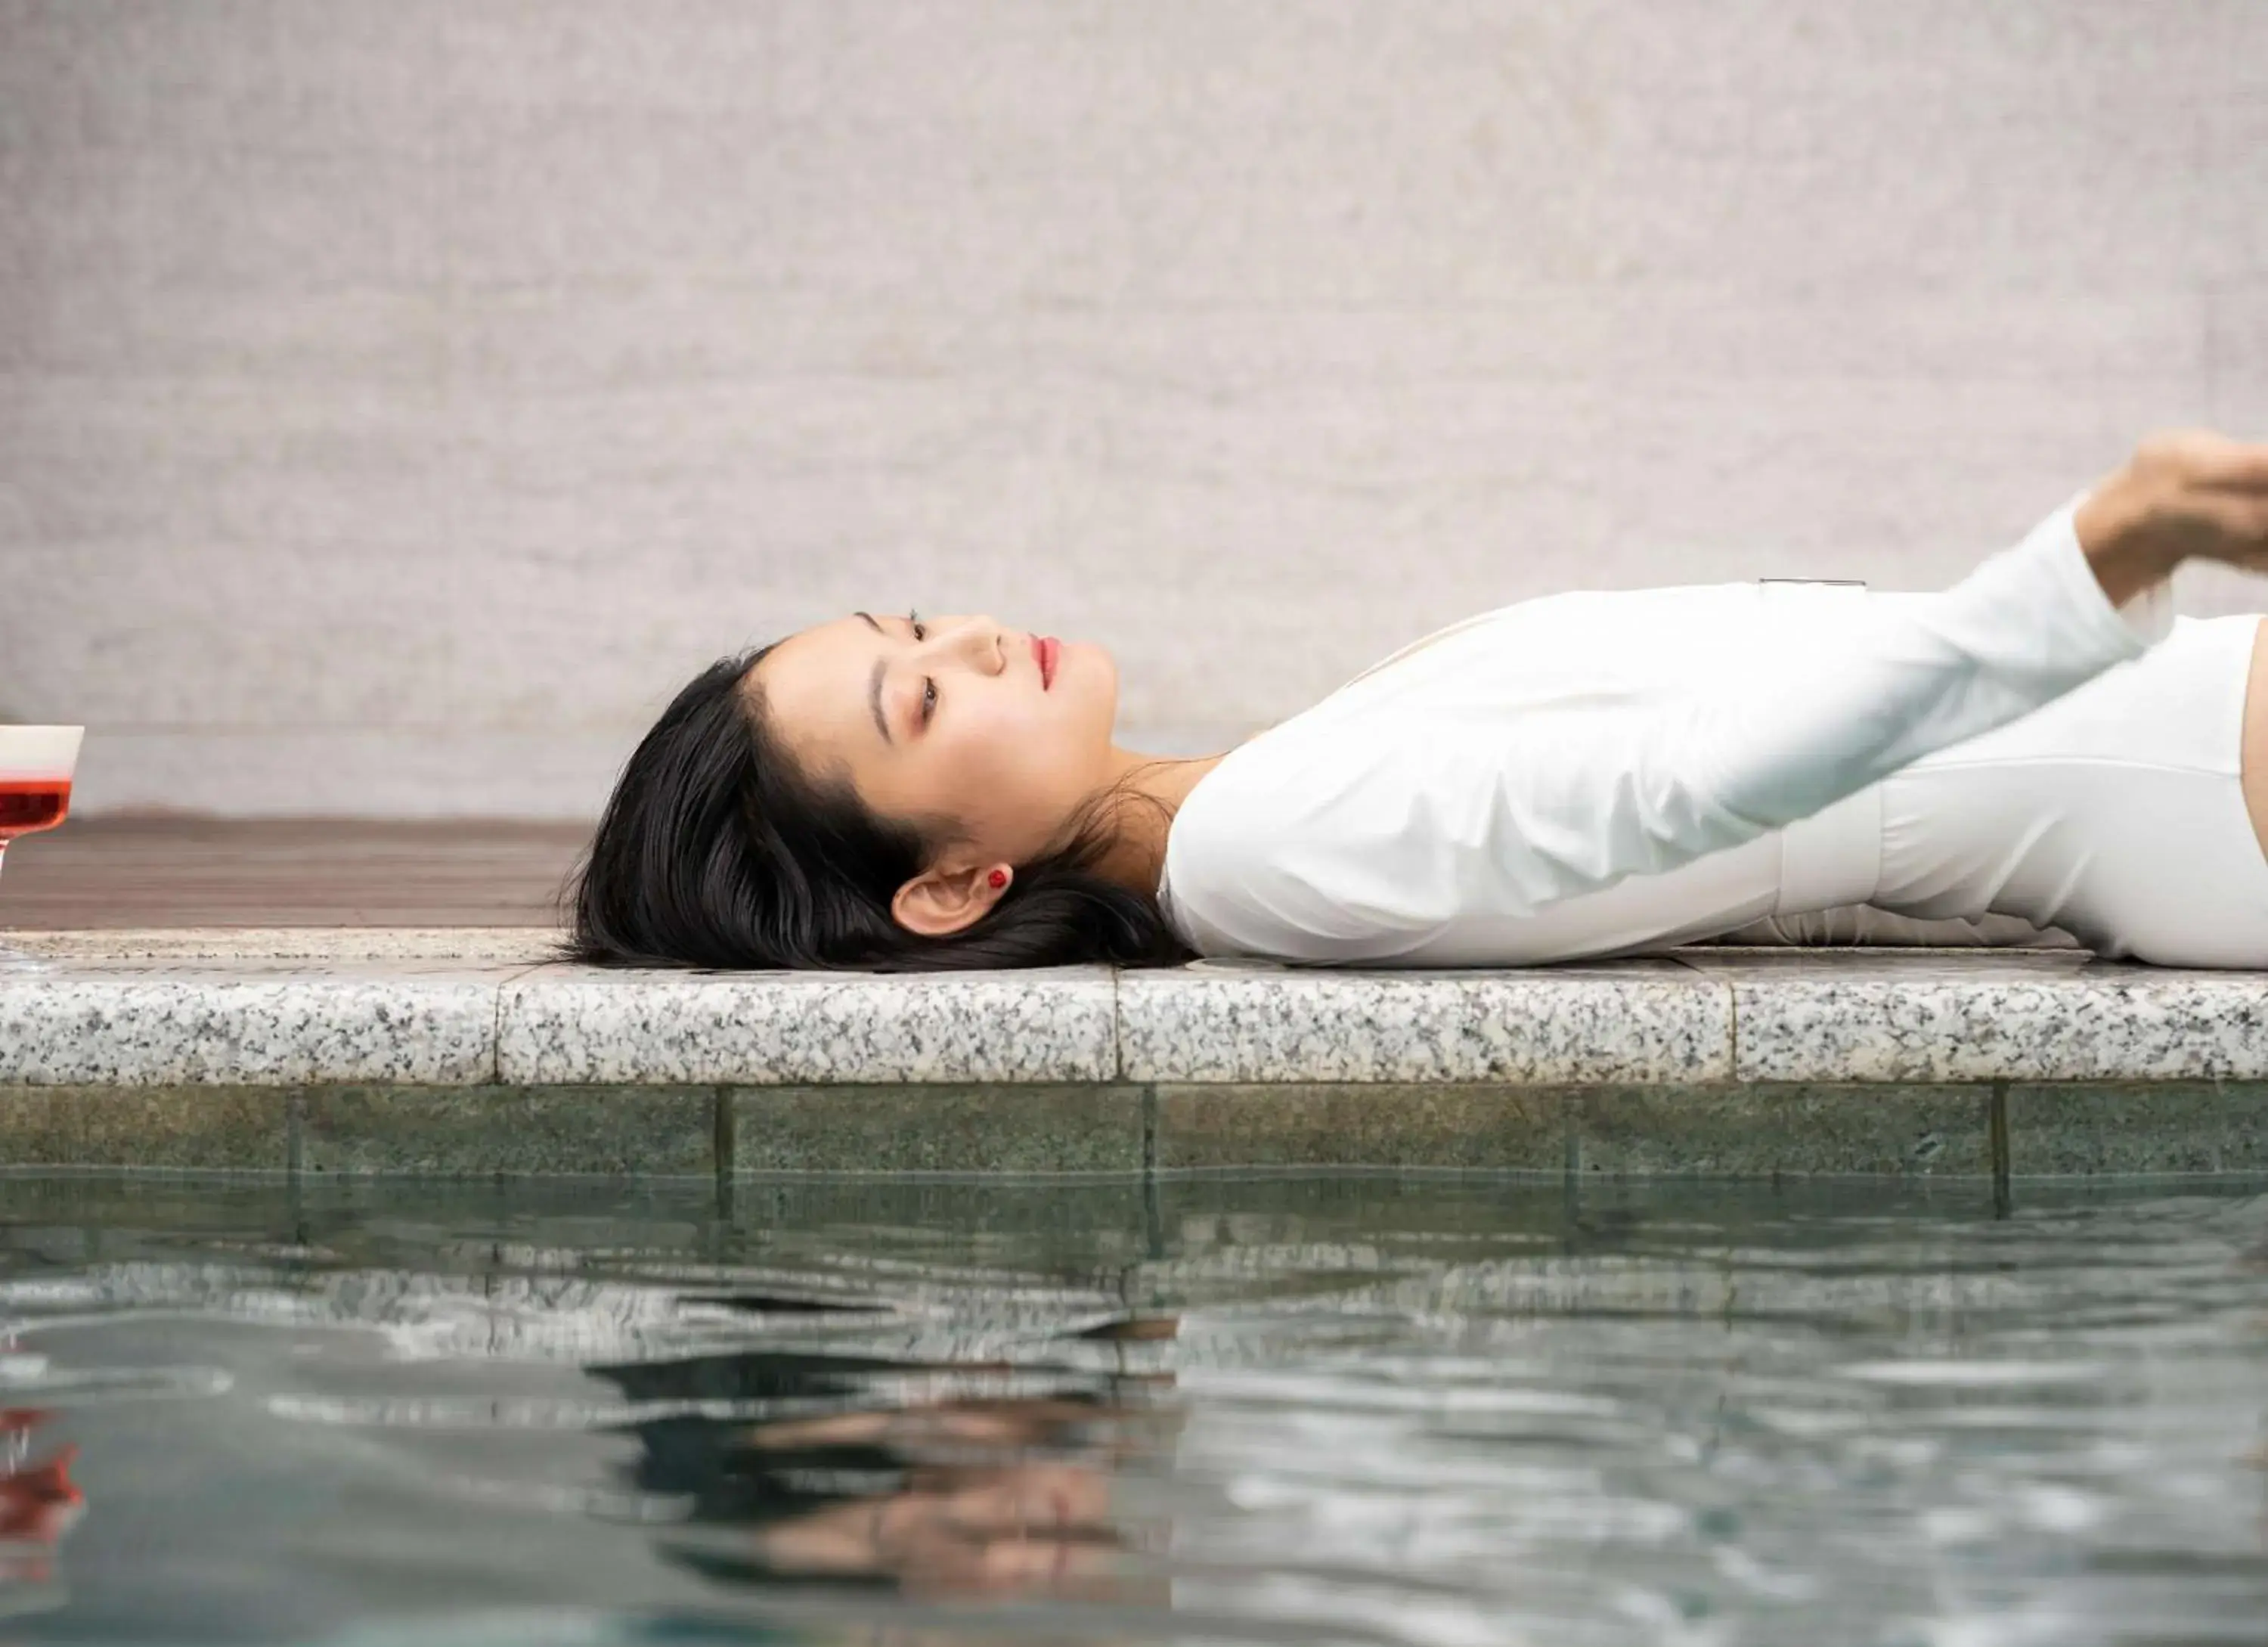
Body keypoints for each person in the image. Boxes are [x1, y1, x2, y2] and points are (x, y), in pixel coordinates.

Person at [565, 430, 2268, 972]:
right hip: (2188, 771)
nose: (979, 645)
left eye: (923, 624)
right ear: (947, 888)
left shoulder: (1252, 806)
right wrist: (2100, 549)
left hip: (2166, 763)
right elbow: (1702, 787)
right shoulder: (1263, 845)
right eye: (918, 706)